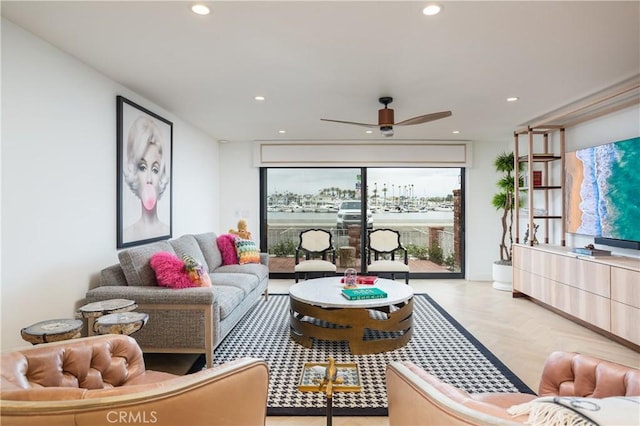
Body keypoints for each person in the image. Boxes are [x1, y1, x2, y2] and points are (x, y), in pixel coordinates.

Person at [122, 116, 169, 242]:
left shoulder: (166, 230)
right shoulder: (127, 234)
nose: (149, 179)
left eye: (155, 170)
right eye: (142, 167)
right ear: (134, 171)